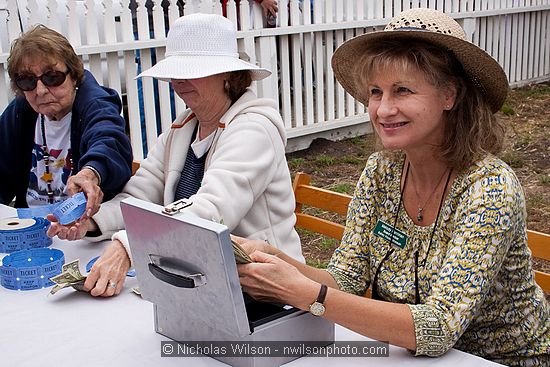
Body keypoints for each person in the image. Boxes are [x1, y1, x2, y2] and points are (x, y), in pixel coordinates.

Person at [236, 8, 549, 366]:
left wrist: (305, 294)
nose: (383, 110)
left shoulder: (490, 188)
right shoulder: (381, 171)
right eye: (375, 92)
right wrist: (274, 259)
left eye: (402, 90)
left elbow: (438, 326)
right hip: (407, 356)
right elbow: (348, 277)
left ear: (450, 95)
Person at [48, 13, 304, 297]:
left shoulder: (255, 129)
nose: (178, 81)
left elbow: (210, 213)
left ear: (228, 76)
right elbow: (138, 197)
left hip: (267, 291)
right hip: (201, 278)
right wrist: (92, 222)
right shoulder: (184, 127)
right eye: (175, 71)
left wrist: (127, 246)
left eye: (192, 71)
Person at [0, 25, 133, 217]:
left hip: (87, 229)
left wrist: (89, 174)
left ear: (74, 76)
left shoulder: (95, 105)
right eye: (27, 81)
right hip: (30, 228)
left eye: (52, 77)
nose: (40, 91)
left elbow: (109, 140)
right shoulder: (22, 111)